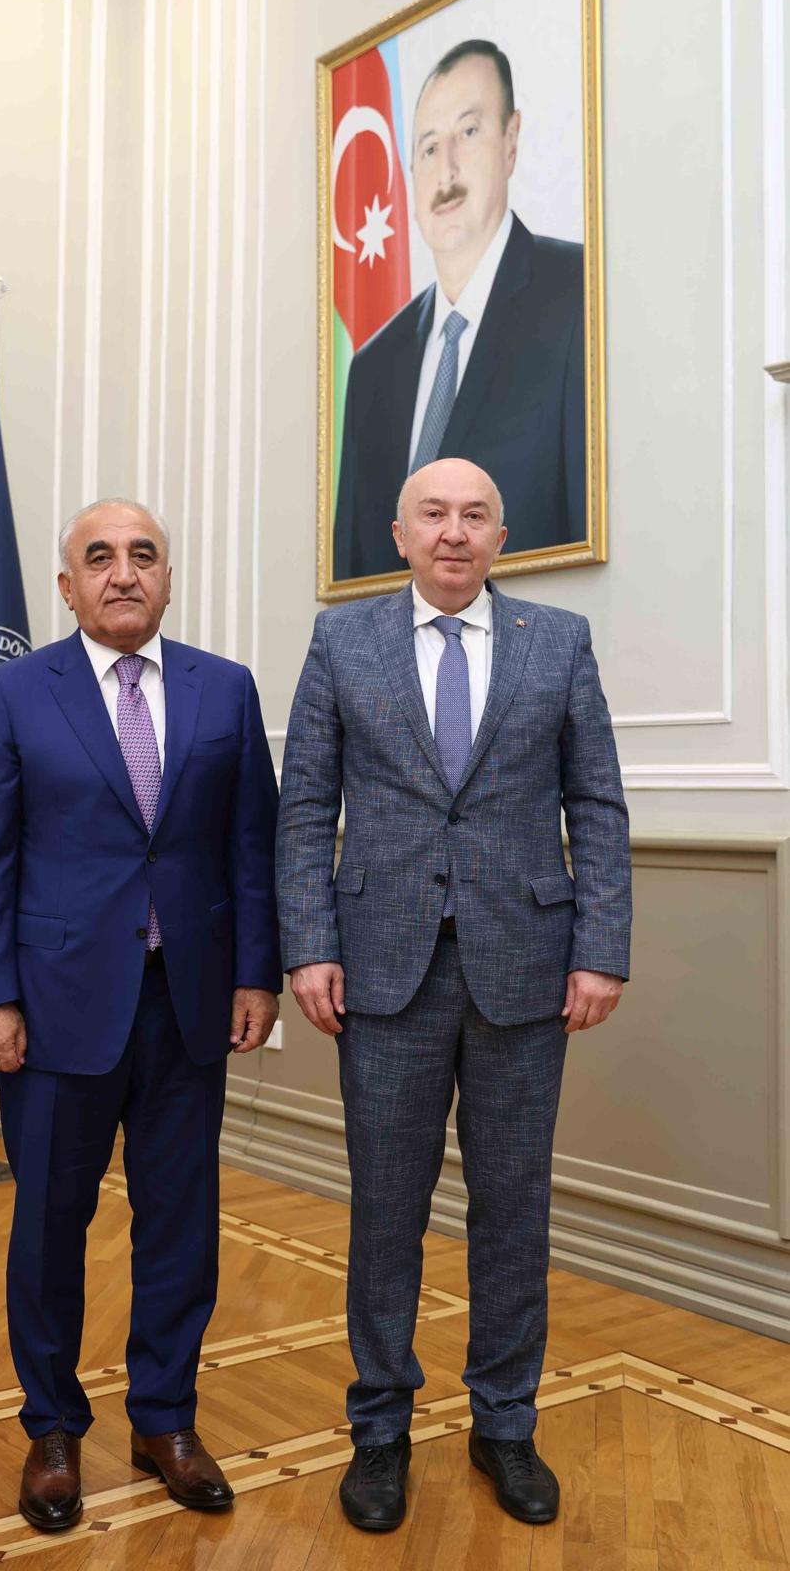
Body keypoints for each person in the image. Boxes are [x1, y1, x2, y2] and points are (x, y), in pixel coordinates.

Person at [277, 457, 630, 1531]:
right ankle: (380, 1429)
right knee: (386, 1210)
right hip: (381, 970)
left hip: (527, 968)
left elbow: (596, 804)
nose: (453, 531)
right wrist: (308, 945)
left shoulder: (557, 642)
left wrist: (601, 949)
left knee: (513, 1208)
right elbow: (305, 806)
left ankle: (505, 1423)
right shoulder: (342, 641)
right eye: (433, 513)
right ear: (399, 534)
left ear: (499, 537)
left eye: (475, 515)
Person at [0, 499, 281, 1531]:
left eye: (143, 555)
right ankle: (52, 1426)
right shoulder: (14, 693)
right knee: (51, 1226)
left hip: (189, 1003)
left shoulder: (225, 689)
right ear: (68, 586)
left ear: (168, 577)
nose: (123, 572)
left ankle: (164, 1419)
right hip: (52, 1013)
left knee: (181, 1223)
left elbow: (250, 848)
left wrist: (257, 975)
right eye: (99, 557)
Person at [334, 39, 586, 583]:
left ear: (511, 140)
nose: (445, 170)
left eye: (468, 132)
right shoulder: (372, 367)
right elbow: (355, 575)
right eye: (428, 148)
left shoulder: (577, 295)